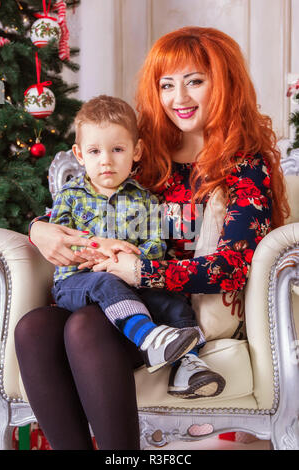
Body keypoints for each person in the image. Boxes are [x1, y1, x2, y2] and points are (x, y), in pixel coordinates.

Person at [14, 27, 290, 450]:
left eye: (195, 80)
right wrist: (38, 227)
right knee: (34, 328)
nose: (179, 97)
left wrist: (141, 270)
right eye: (167, 85)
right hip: (104, 292)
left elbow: (232, 267)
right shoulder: (144, 157)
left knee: (86, 327)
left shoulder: (244, 167)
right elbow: (84, 197)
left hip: (170, 312)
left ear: (224, 82)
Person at [49, 93, 208, 375]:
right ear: (79, 155)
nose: (106, 161)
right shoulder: (70, 196)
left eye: (117, 150)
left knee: (173, 303)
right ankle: (148, 338)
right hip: (77, 282)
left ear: (136, 151)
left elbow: (156, 246)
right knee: (102, 283)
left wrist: (127, 255)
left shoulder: (145, 199)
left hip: (131, 281)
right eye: (95, 151)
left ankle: (190, 364)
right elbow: (60, 241)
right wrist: (99, 251)